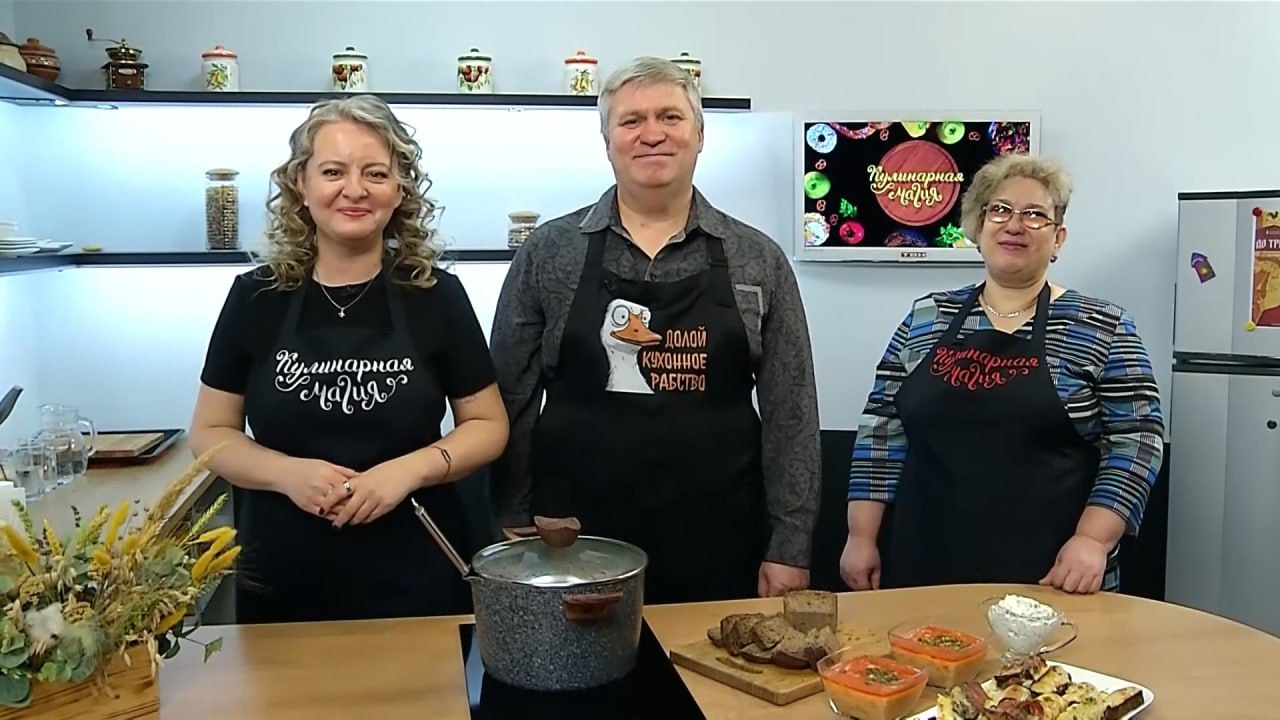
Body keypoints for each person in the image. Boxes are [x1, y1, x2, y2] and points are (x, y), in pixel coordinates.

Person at [488, 57, 821, 605]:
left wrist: (790, 545)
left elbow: (792, 413)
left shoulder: (757, 258)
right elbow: (512, 400)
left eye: (670, 116)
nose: (652, 134)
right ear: (607, 141)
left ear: (699, 135)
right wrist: (512, 520)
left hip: (720, 535)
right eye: (631, 120)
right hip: (570, 540)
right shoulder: (548, 253)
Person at [189, 95, 509, 624]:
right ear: (301, 183)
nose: (355, 190)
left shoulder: (436, 296)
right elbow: (210, 432)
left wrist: (407, 471)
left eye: (375, 173)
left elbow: (489, 425)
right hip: (281, 572)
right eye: (333, 171)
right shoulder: (255, 298)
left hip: (416, 570)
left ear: (400, 189)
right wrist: (287, 474)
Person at [841, 154, 1164, 595]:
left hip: (1056, 575)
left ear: (1058, 238)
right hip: (924, 568)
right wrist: (860, 536)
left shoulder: (1102, 325)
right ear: (978, 228)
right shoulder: (927, 317)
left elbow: (1138, 440)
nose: (1015, 225)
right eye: (1000, 210)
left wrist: (1093, 540)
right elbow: (881, 429)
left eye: (1034, 214)